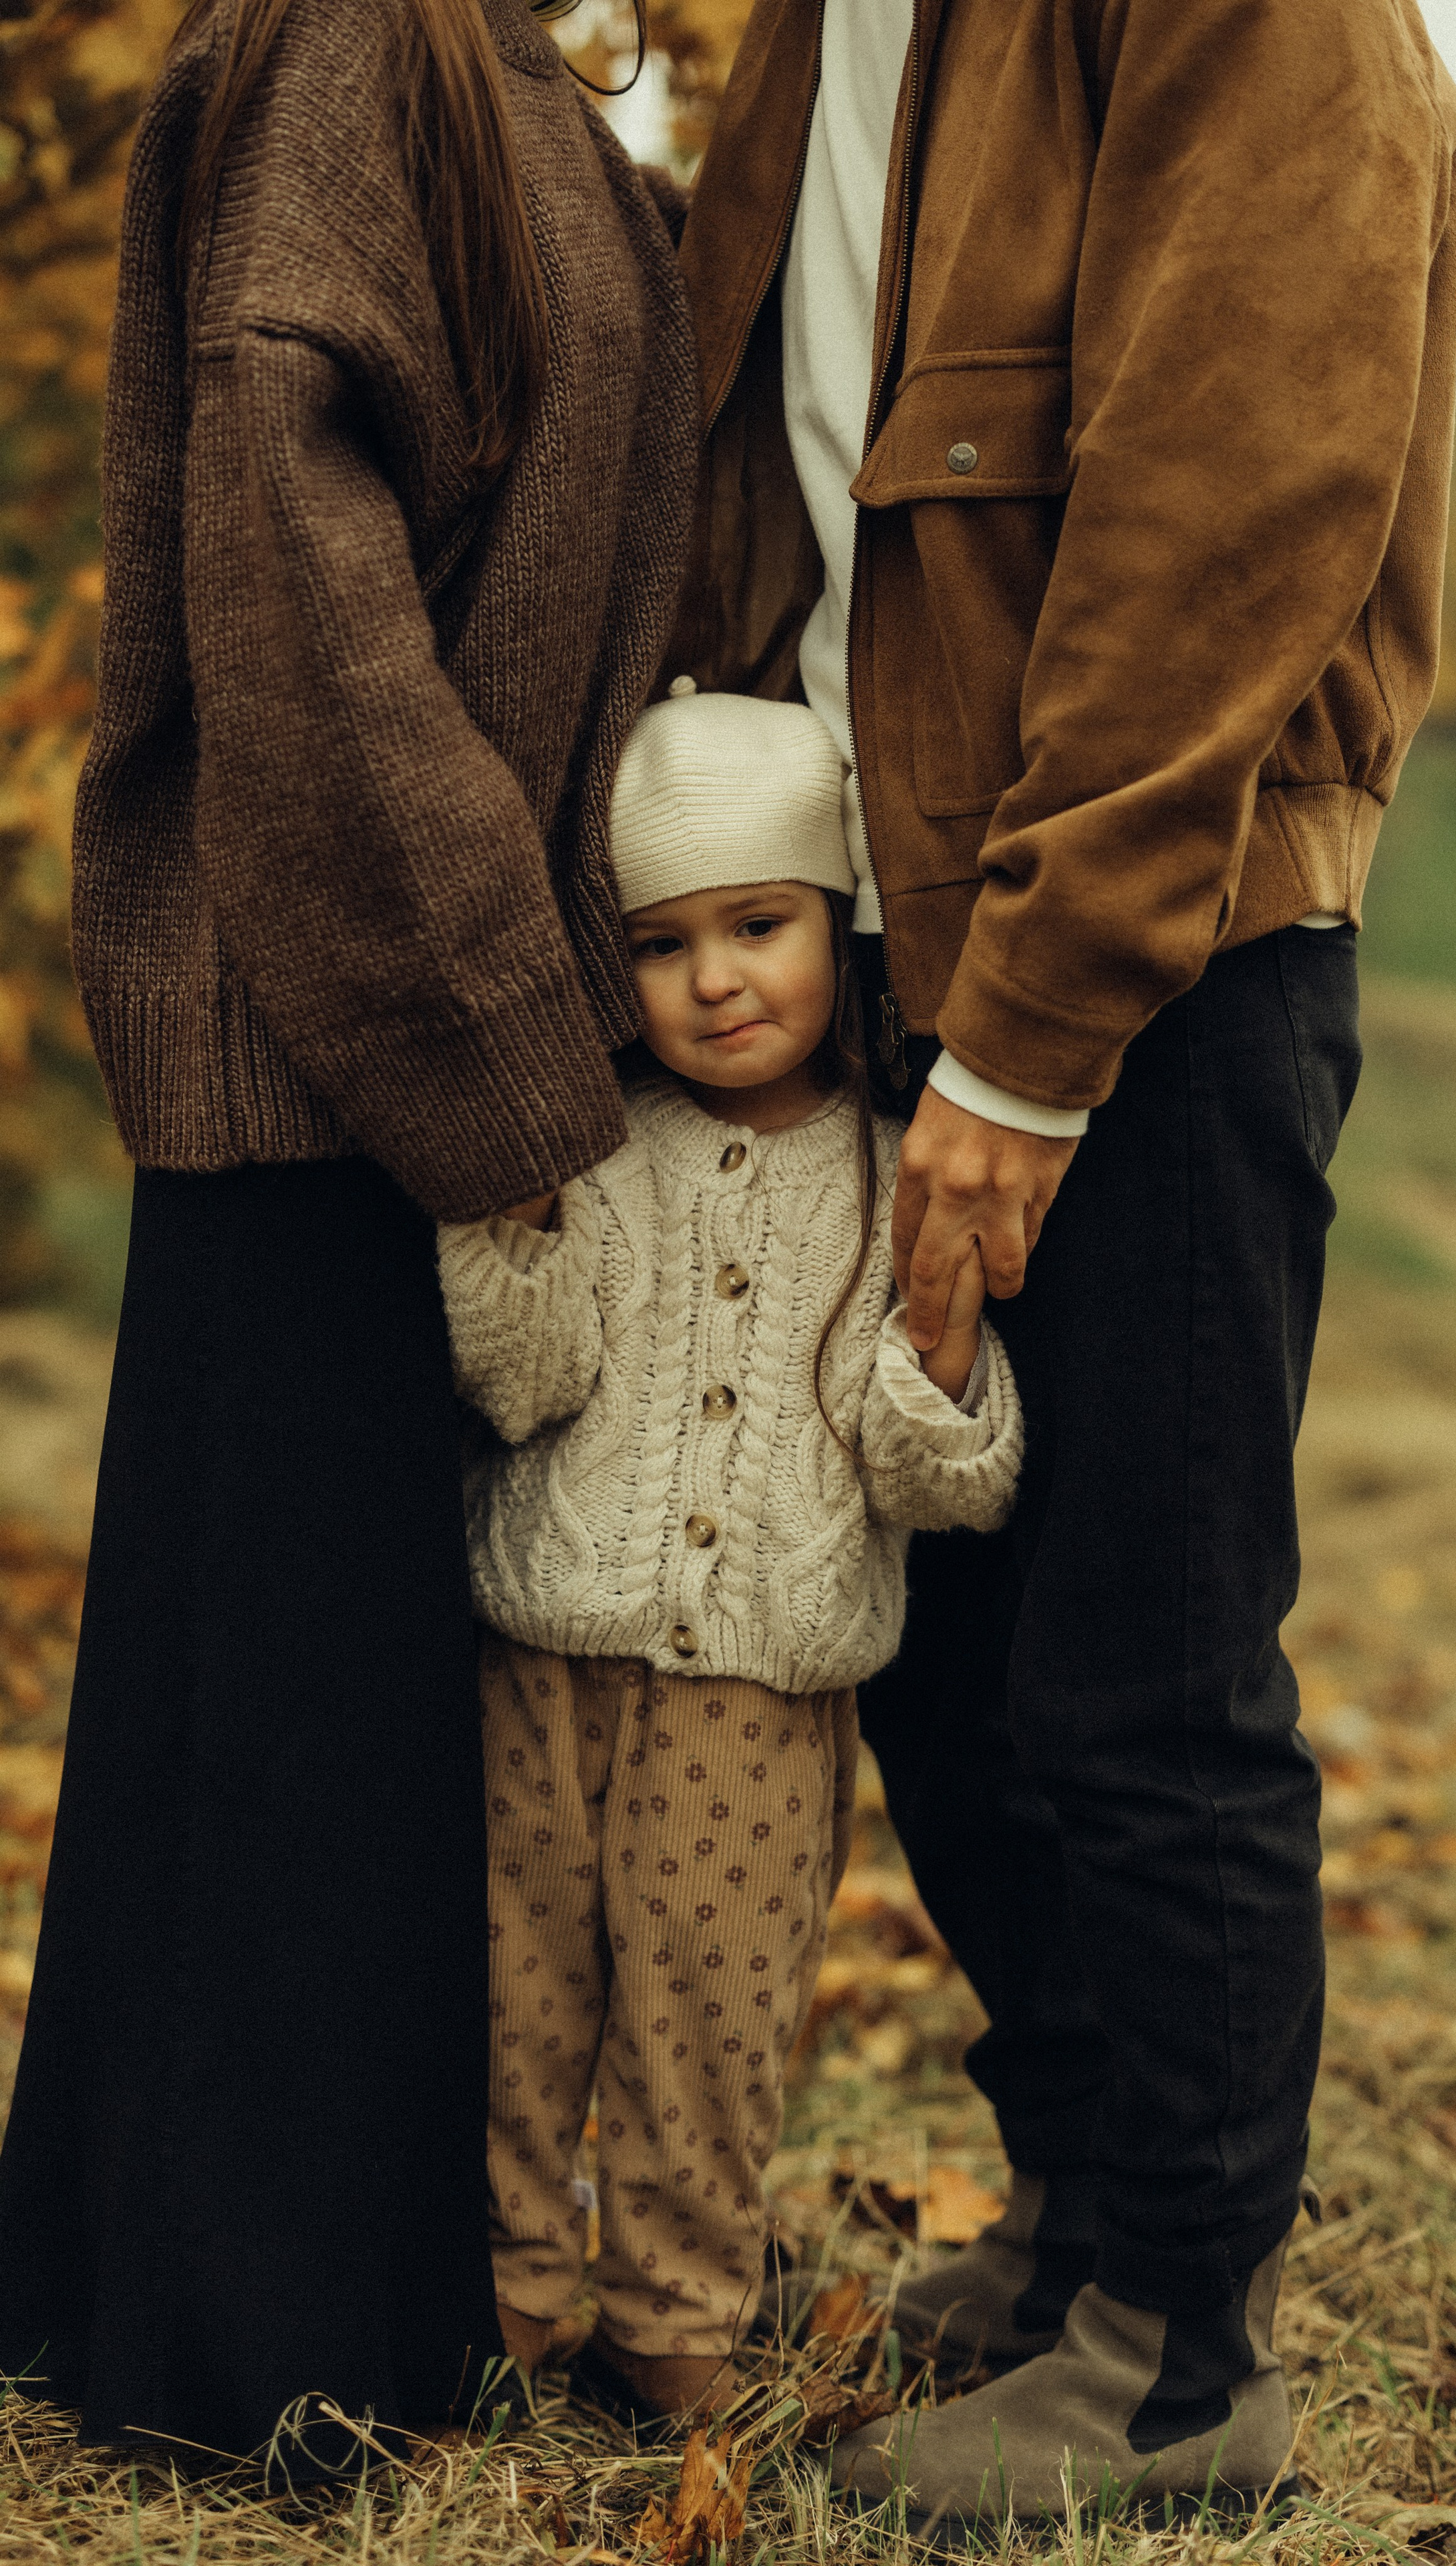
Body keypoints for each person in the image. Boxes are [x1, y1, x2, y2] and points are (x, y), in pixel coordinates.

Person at [671, 0, 1456, 2528]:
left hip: (1163, 957)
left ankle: (1183, 2350)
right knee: (954, 1657)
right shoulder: (815, 28)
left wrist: (1028, 1043)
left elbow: (1243, 481)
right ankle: (1084, 2212)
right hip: (900, 928)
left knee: (1144, 1658)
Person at [0, 0, 699, 2470]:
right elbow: (302, 612)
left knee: (330, 1726)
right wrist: (492, 1046)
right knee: (283, 1736)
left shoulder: (537, 95)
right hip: (342, 1048)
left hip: (412, 1048)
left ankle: (191, 2296)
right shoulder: (345, 51)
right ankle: (251, 2357)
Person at [436, 685, 1022, 2425]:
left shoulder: (895, 1173)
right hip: (545, 1659)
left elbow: (938, 1488)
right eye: (660, 943)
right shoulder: (594, 1150)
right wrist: (512, 1223)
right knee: (517, 1996)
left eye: (760, 925)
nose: (714, 980)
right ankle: (507, 2286)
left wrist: (938, 1351)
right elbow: (523, 1384)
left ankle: (676, 2315)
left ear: (836, 922)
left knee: (710, 2019)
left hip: (760, 1699)